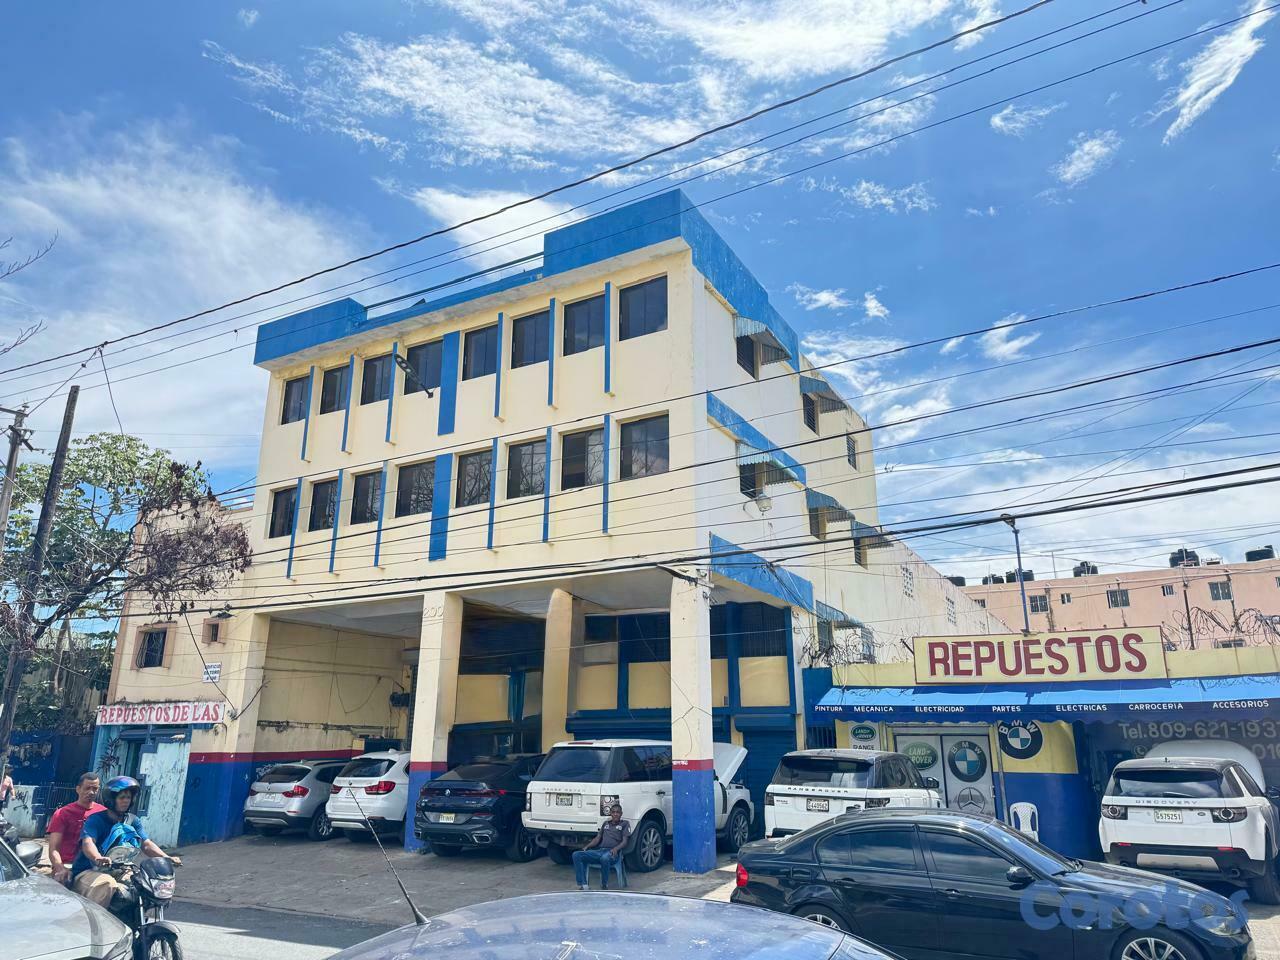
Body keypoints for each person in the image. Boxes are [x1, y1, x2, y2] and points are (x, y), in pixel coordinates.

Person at [71, 776, 181, 908]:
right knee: (106, 884)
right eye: (122, 797)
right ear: (111, 799)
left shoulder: (133, 821)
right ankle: (95, 920)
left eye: (128, 797)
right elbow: (88, 843)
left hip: (121, 870)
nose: (126, 801)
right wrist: (97, 857)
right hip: (89, 870)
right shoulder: (96, 820)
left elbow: (146, 844)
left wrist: (166, 857)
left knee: (144, 884)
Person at [46, 772, 105, 884]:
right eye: (87, 788)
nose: (91, 792)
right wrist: (60, 868)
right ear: (78, 789)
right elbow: (53, 848)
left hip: (94, 867)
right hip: (67, 866)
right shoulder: (62, 813)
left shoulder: (103, 813)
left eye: (95, 789)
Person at [572, 803, 630, 891]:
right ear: (610, 813)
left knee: (605, 858)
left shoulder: (625, 824)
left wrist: (616, 849)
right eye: (613, 812)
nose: (615, 814)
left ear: (621, 814)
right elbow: (597, 838)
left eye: (617, 812)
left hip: (613, 853)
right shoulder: (606, 823)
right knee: (576, 855)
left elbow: (625, 841)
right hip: (600, 851)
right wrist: (587, 846)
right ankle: (583, 885)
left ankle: (604, 885)